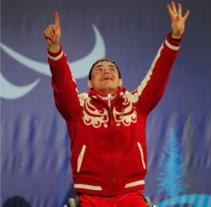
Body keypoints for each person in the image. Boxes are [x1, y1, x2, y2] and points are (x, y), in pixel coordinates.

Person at [44, 1, 190, 206]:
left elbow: (158, 75)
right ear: (90, 83)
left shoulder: (136, 103)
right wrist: (55, 50)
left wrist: (174, 39)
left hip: (132, 195)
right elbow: (62, 84)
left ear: (120, 81)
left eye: (112, 68)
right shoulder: (78, 108)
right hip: (90, 197)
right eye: (99, 69)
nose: (106, 71)